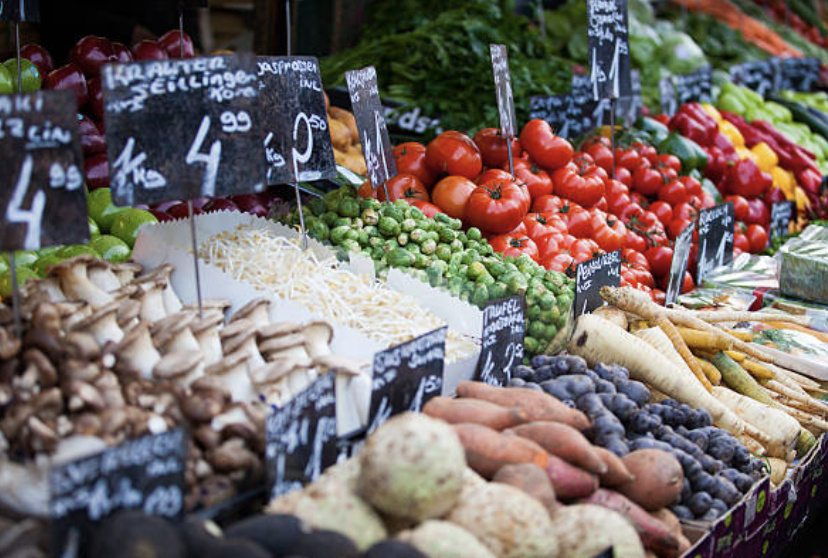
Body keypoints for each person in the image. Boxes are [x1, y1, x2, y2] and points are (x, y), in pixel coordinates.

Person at [38, 0, 200, 62]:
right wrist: (127, 31)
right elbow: (54, 10)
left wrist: (191, 42)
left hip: (166, 64)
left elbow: (188, 10)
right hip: (88, 65)